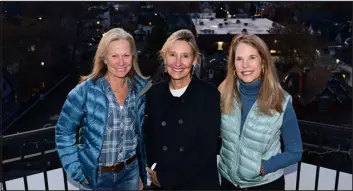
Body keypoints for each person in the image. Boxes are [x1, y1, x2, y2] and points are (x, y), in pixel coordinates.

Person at [55, 28, 152, 190]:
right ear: (104, 58)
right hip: (96, 178)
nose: (121, 62)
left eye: (126, 55)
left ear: (133, 57)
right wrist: (77, 171)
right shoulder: (84, 92)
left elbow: (141, 135)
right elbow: (64, 132)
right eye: (114, 56)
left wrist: (140, 173)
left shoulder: (140, 91)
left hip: (130, 173)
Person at [218, 34, 303, 190]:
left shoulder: (281, 101)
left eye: (252, 58)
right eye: (239, 59)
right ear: (233, 65)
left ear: (263, 62)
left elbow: (295, 151)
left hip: (265, 185)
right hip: (227, 183)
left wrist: (263, 168)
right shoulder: (223, 94)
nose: (245, 65)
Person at [144, 29, 221, 190]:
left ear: (194, 60)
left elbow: (206, 149)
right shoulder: (153, 93)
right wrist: (154, 168)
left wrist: (166, 177)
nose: (177, 63)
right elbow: (148, 138)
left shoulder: (209, 94)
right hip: (160, 184)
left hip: (197, 185)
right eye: (172, 55)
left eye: (185, 56)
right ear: (164, 57)